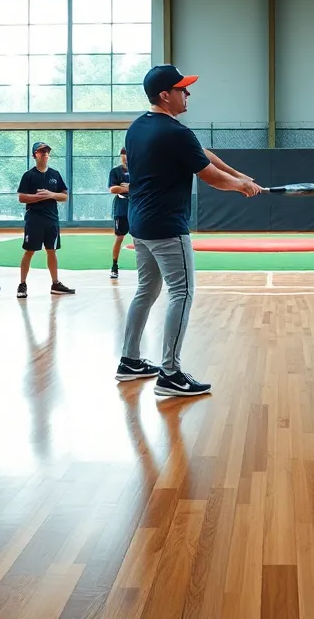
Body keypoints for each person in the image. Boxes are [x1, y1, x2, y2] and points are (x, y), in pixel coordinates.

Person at [117, 65, 261, 397]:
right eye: (182, 89)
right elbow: (208, 175)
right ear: (165, 95)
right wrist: (240, 187)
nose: (188, 93)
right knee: (181, 293)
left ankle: (130, 361)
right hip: (168, 227)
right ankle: (170, 373)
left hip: (140, 225)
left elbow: (201, 154)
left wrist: (241, 176)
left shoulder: (139, 128)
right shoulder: (175, 133)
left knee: (146, 291)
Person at [16, 141, 75, 298]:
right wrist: (37, 197)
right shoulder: (28, 175)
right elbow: (21, 197)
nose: (45, 154)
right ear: (35, 154)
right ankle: (22, 284)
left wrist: (51, 195)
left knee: (52, 251)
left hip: (51, 220)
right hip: (34, 220)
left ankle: (55, 284)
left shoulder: (55, 174)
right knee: (29, 251)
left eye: (47, 151)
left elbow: (64, 196)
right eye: (42, 151)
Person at [109, 147, 130, 279]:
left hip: (136, 206)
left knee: (140, 238)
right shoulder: (115, 171)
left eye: (128, 154)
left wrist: (129, 187)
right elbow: (112, 189)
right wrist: (126, 188)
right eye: (124, 154)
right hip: (121, 207)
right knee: (119, 237)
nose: (126, 157)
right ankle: (114, 266)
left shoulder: (138, 170)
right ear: (121, 156)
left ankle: (145, 267)